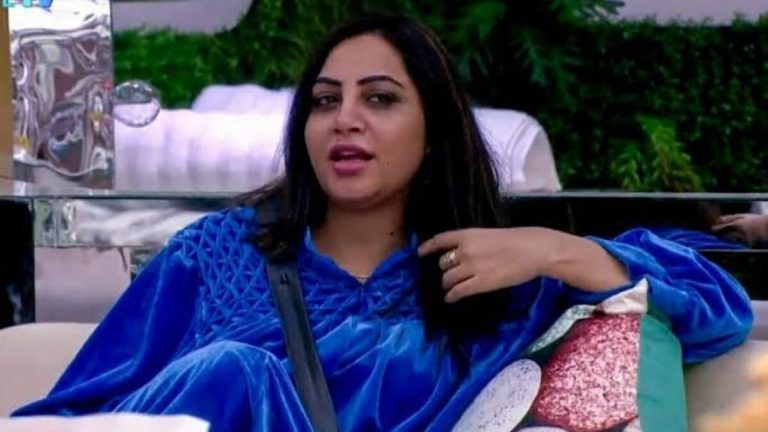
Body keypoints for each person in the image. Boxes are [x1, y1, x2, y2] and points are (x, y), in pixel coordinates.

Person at [13, 14, 753, 431]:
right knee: (235, 370)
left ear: (434, 130)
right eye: (325, 101)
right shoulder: (216, 255)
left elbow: (717, 312)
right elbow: (71, 414)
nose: (346, 120)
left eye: (380, 99)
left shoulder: (497, 277)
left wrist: (553, 250)